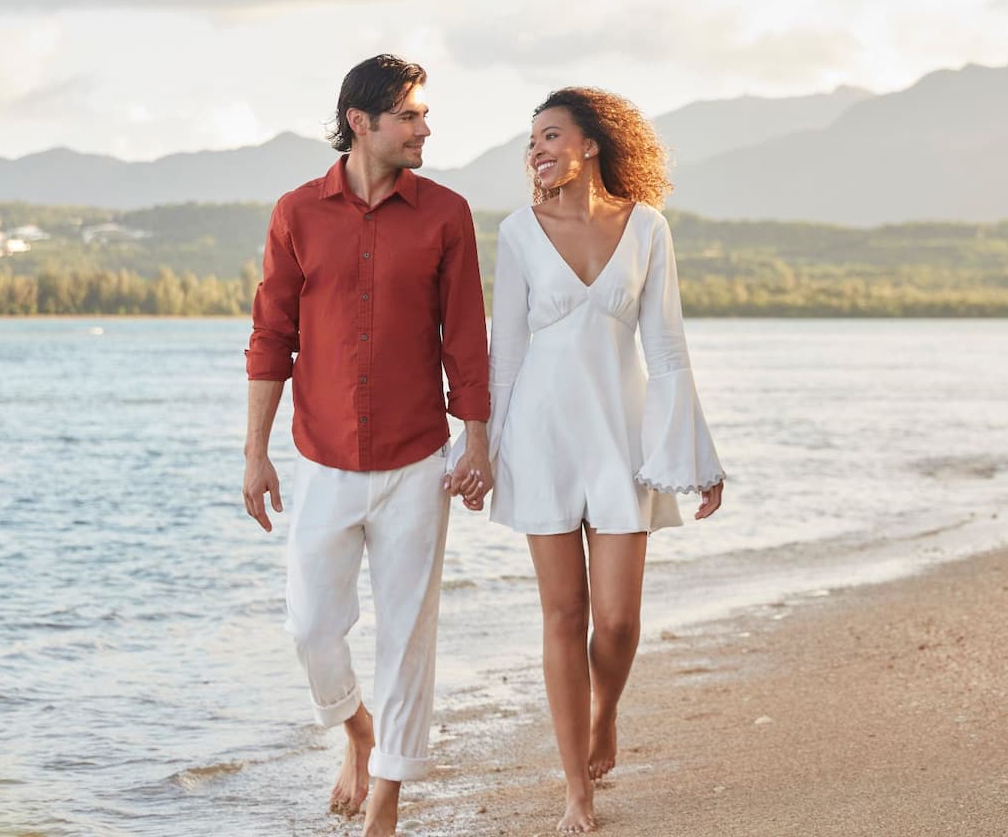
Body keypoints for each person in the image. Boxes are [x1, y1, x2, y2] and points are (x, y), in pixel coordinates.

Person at [240, 54, 493, 837]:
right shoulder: (296, 212)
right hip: (320, 459)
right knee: (311, 627)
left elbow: (467, 339)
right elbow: (271, 335)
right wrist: (256, 454)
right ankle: (357, 729)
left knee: (409, 636)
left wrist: (474, 441)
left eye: (424, 114)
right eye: (411, 115)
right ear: (362, 122)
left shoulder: (447, 214)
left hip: (419, 460)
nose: (426, 128)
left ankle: (386, 803)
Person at [484, 87, 727, 833]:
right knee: (564, 615)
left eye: (551, 135)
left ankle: (605, 710)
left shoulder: (646, 227)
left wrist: (697, 456)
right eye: (531, 141)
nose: (538, 150)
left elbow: (666, 347)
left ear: (591, 144)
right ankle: (574, 791)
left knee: (618, 623)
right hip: (541, 438)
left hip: (621, 438)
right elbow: (507, 356)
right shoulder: (518, 232)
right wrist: (485, 453)